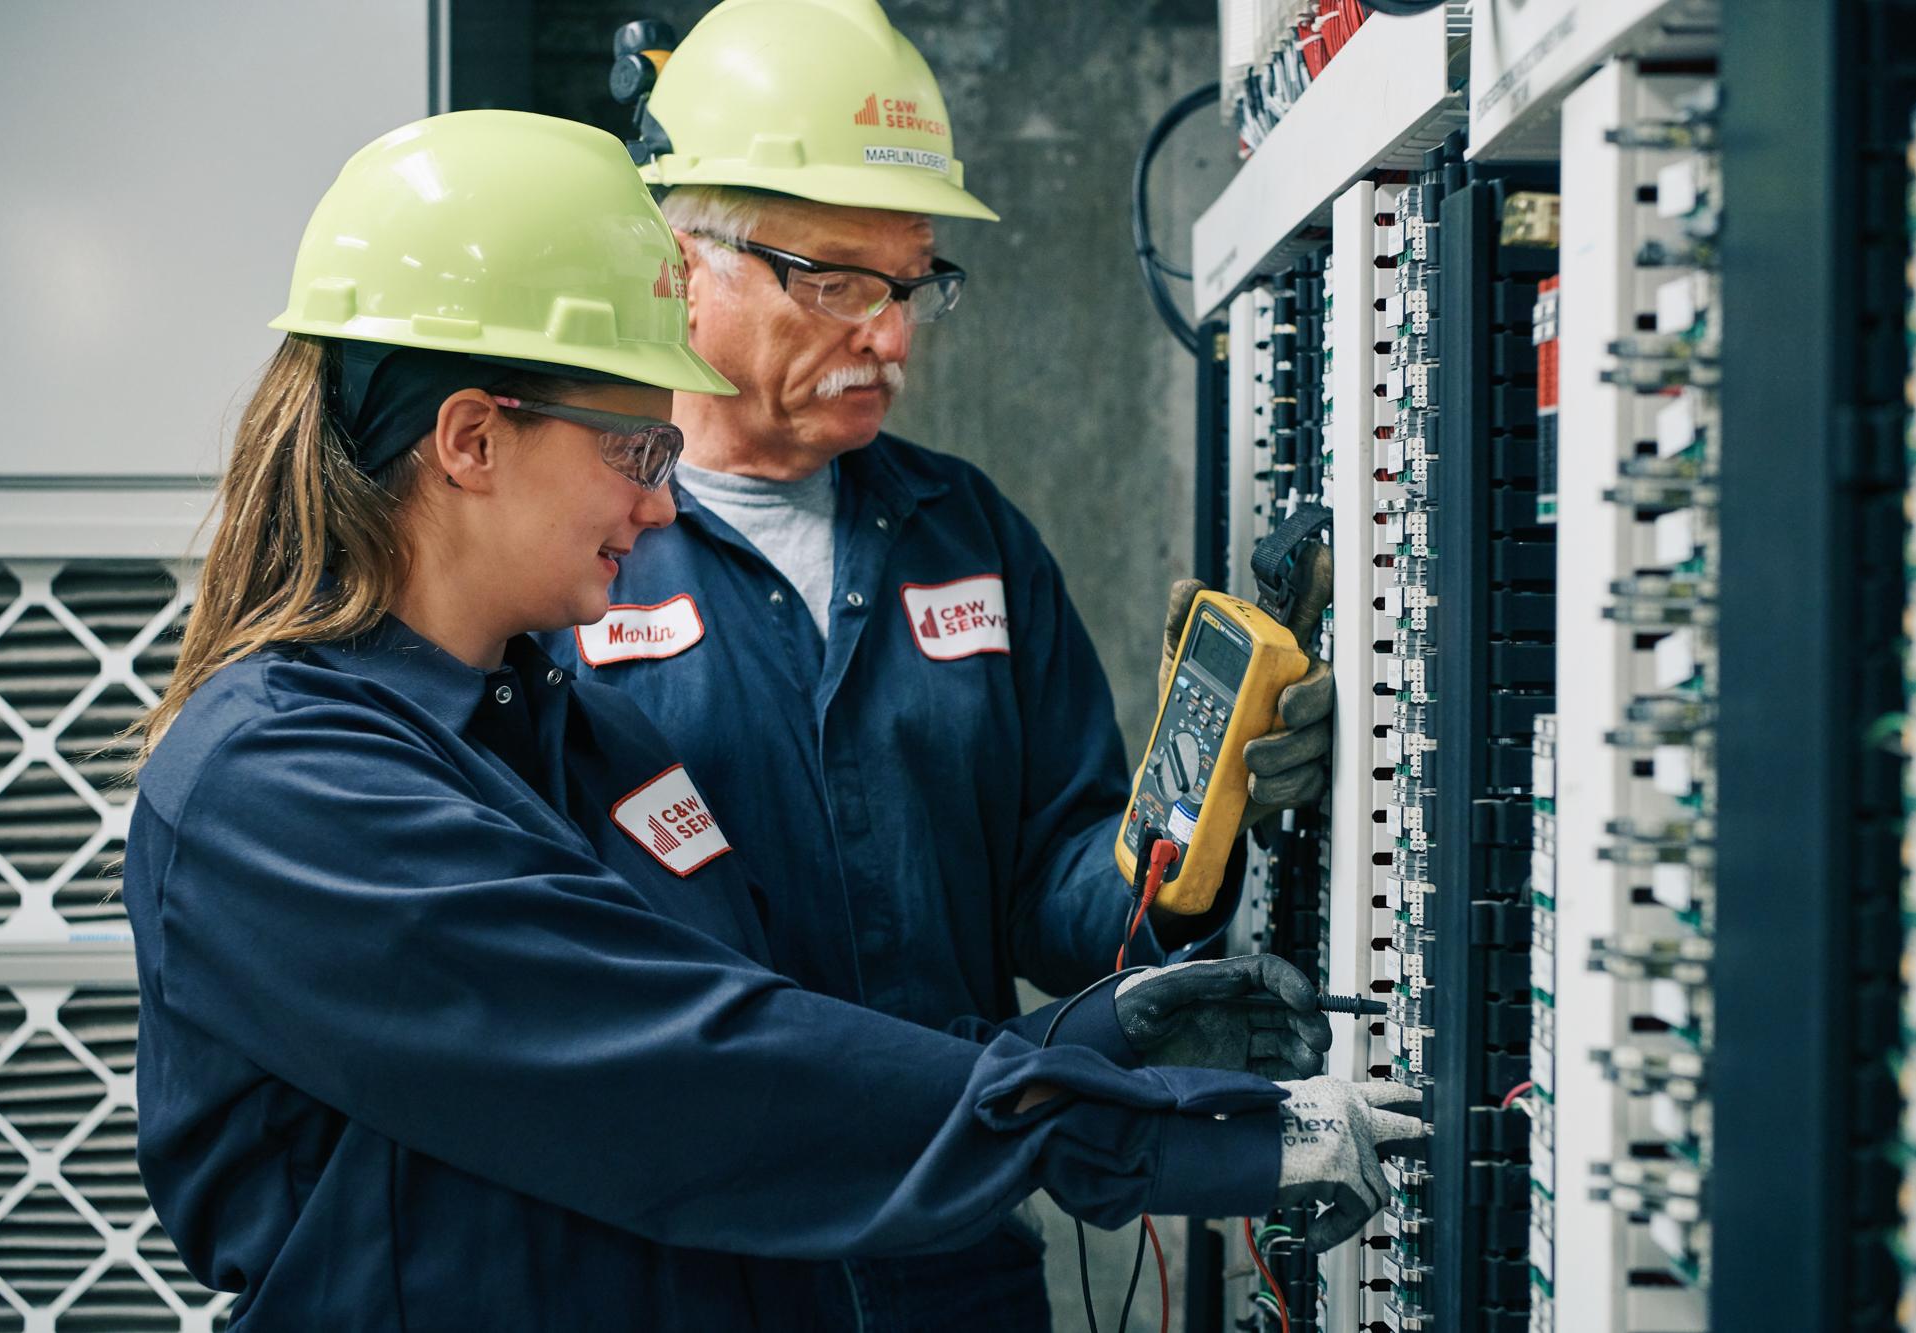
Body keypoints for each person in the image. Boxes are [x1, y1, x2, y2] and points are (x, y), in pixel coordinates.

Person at [123, 109, 1419, 1332]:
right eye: (638, 451)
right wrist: (1143, 1129)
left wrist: (1077, 1039)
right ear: (470, 440)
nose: (664, 505)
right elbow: (679, 1076)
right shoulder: (278, 786)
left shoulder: (590, 745)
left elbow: (760, 1015)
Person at [544, 0, 1340, 1322]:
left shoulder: (962, 534)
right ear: (685, 259)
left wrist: (1205, 820)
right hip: (692, 1272)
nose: (894, 336)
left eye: (913, 285)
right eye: (842, 283)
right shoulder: (569, 554)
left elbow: (1062, 903)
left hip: (953, 1262)